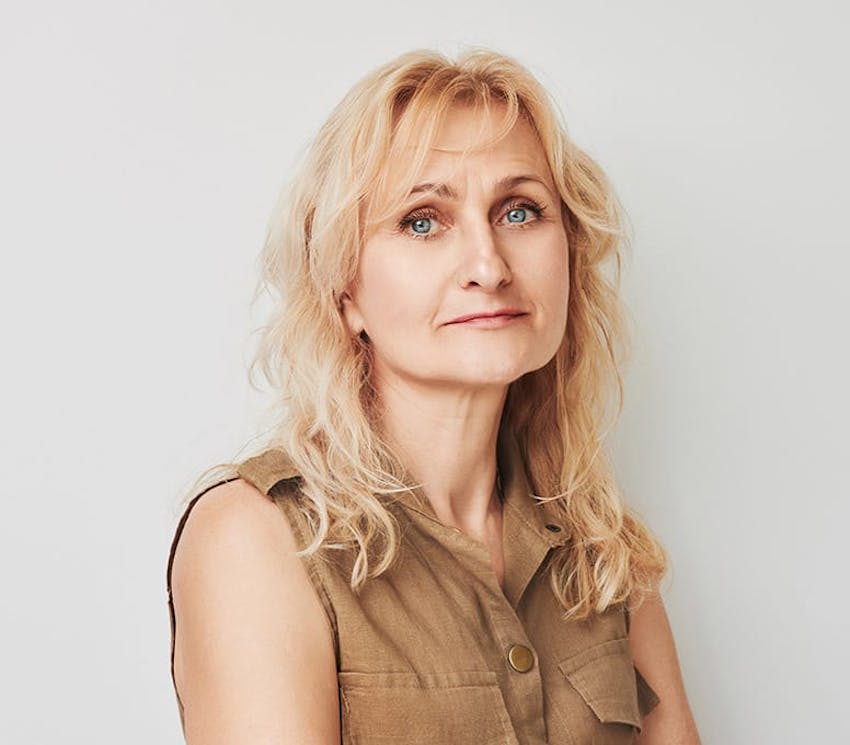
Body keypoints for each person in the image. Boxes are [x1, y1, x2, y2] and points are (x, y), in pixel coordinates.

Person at [166, 47, 701, 744]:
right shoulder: (258, 538)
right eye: (422, 220)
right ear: (345, 289)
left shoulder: (603, 550)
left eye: (519, 211)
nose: (488, 264)